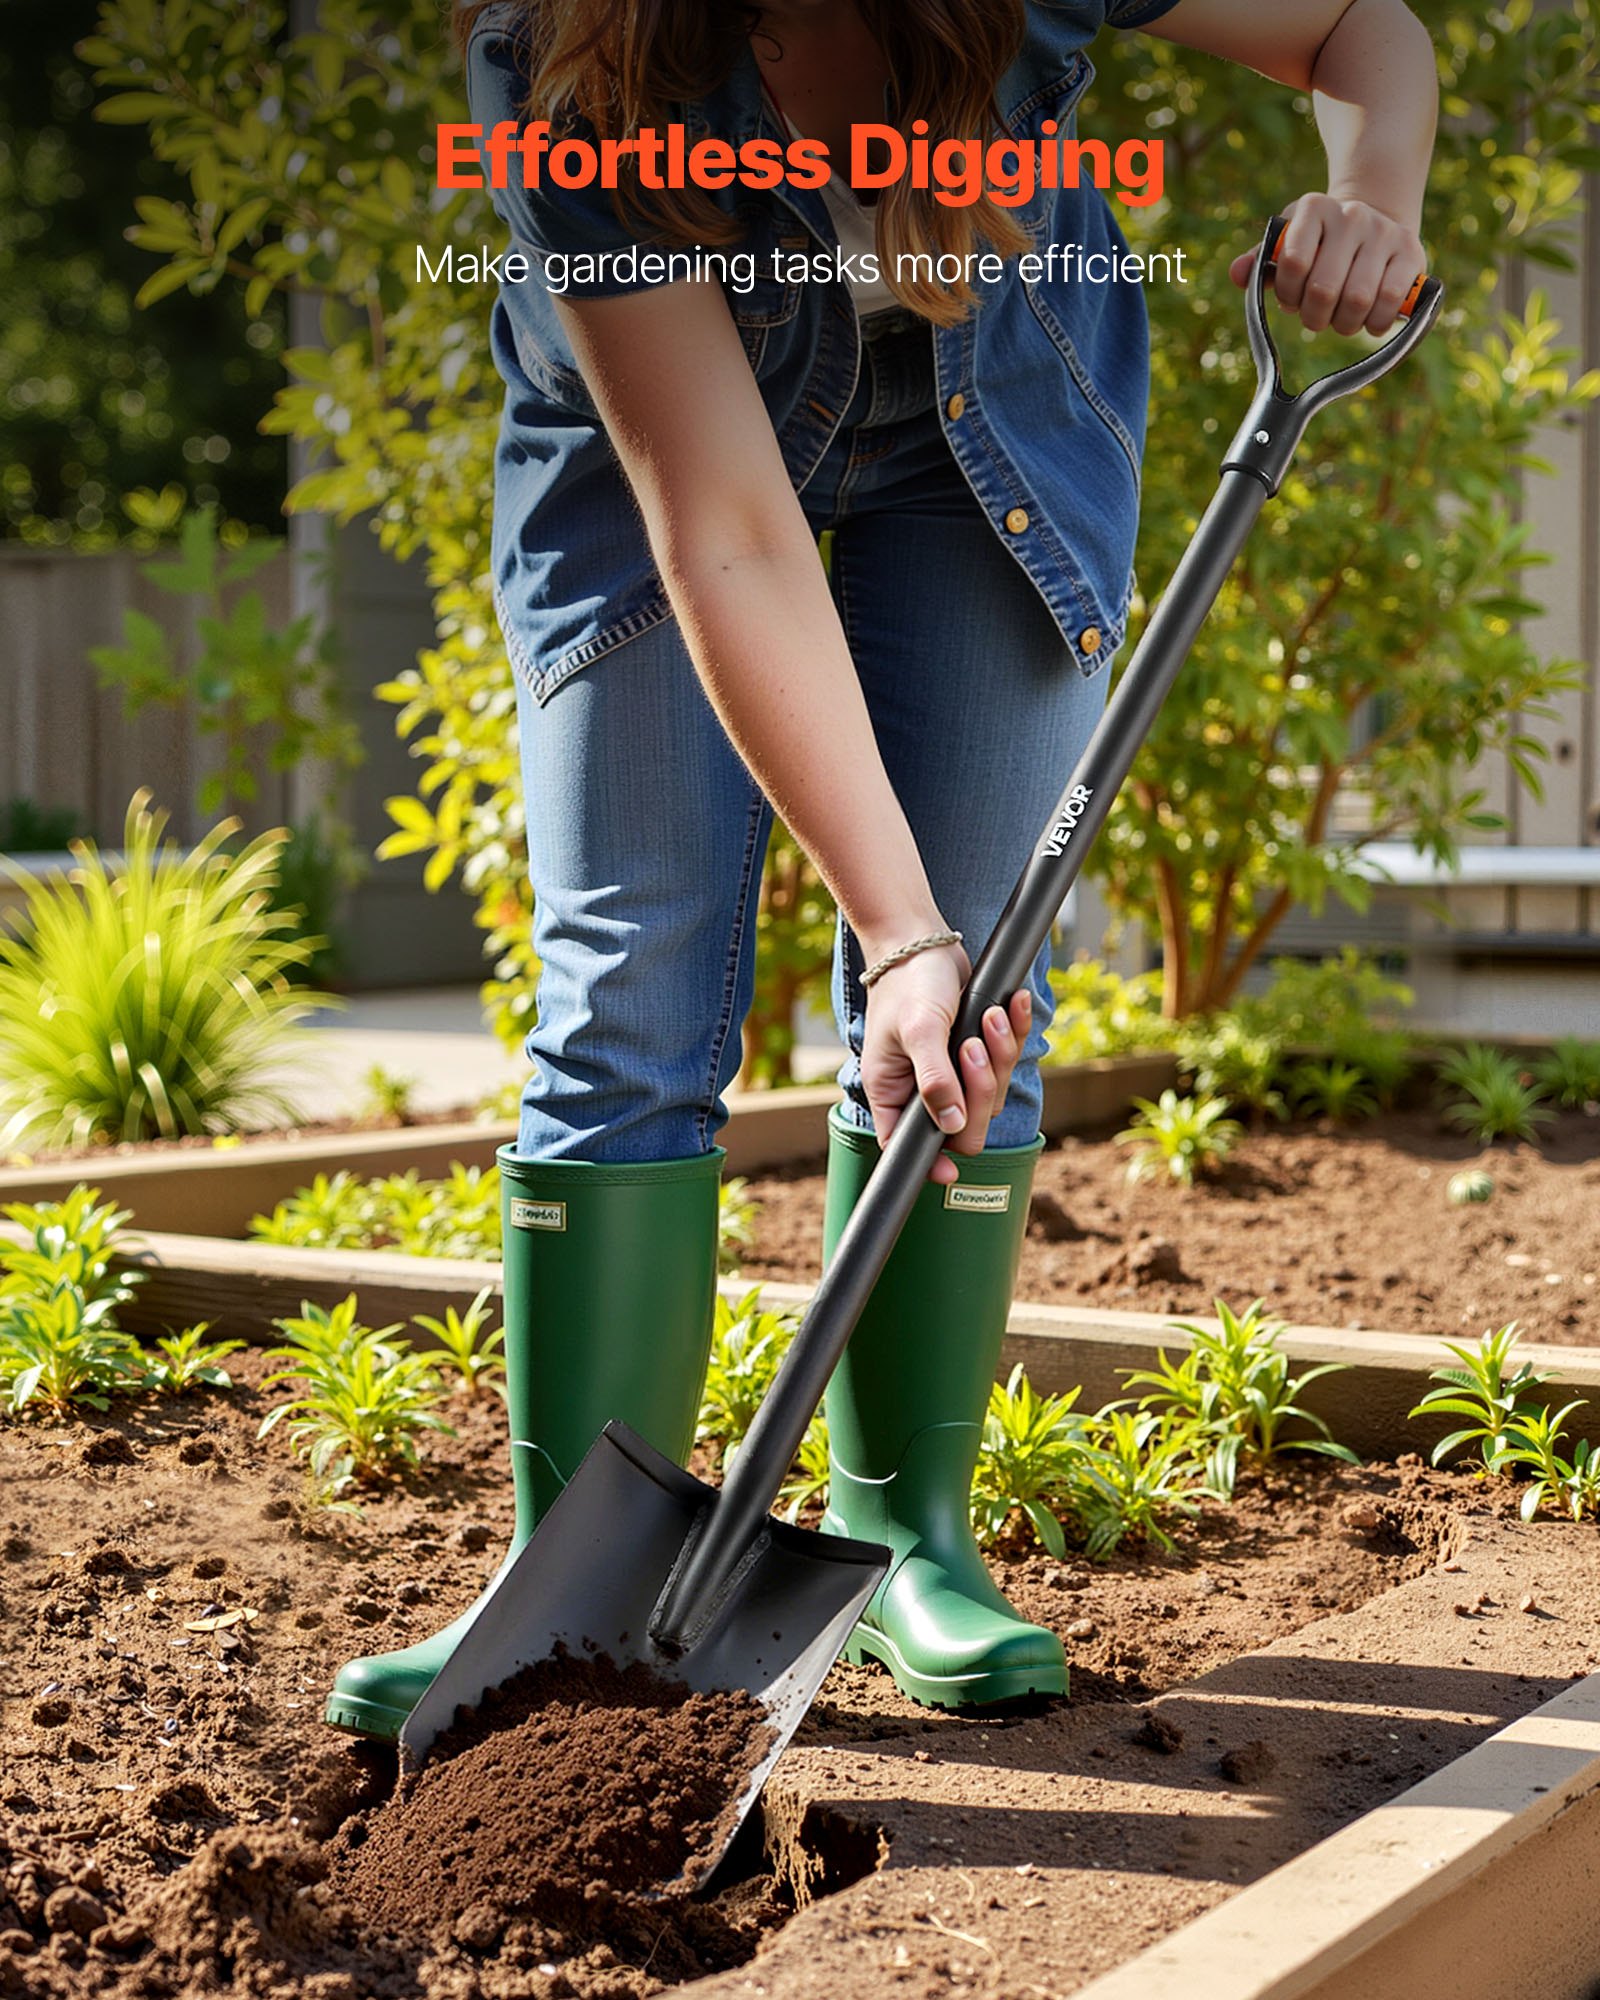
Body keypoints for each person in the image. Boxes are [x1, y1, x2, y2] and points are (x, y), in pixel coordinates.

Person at [326, 0, 1436, 1733]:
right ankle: (573, 1581)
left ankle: (905, 1531)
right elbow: (727, 528)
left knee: (976, 995)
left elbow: (1370, 27)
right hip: (658, 471)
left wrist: (1375, 190)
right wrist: (889, 921)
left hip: (987, 423)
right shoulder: (565, 53)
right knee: (632, 977)